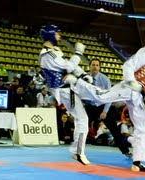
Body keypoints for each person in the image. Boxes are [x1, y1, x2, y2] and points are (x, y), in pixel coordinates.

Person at [70, 31, 145, 172]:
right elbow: (128, 65)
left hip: (139, 95)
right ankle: (77, 81)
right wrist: (131, 82)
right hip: (129, 88)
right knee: (101, 97)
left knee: (144, 128)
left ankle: (137, 162)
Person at [39, 25, 93, 165]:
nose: (59, 36)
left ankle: (77, 150)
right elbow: (68, 66)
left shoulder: (53, 51)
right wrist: (78, 53)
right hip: (63, 89)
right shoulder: (47, 54)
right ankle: (78, 152)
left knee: (81, 118)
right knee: (83, 119)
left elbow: (69, 66)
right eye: (57, 33)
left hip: (67, 88)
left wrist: (83, 74)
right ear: (50, 35)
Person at [84, 58, 131, 157]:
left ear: (99, 67)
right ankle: (78, 149)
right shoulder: (84, 78)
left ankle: (126, 151)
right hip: (89, 106)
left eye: (97, 65)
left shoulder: (105, 79)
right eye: (93, 65)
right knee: (82, 126)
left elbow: (110, 96)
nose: (95, 67)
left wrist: (105, 111)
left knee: (114, 130)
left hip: (103, 106)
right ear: (89, 66)